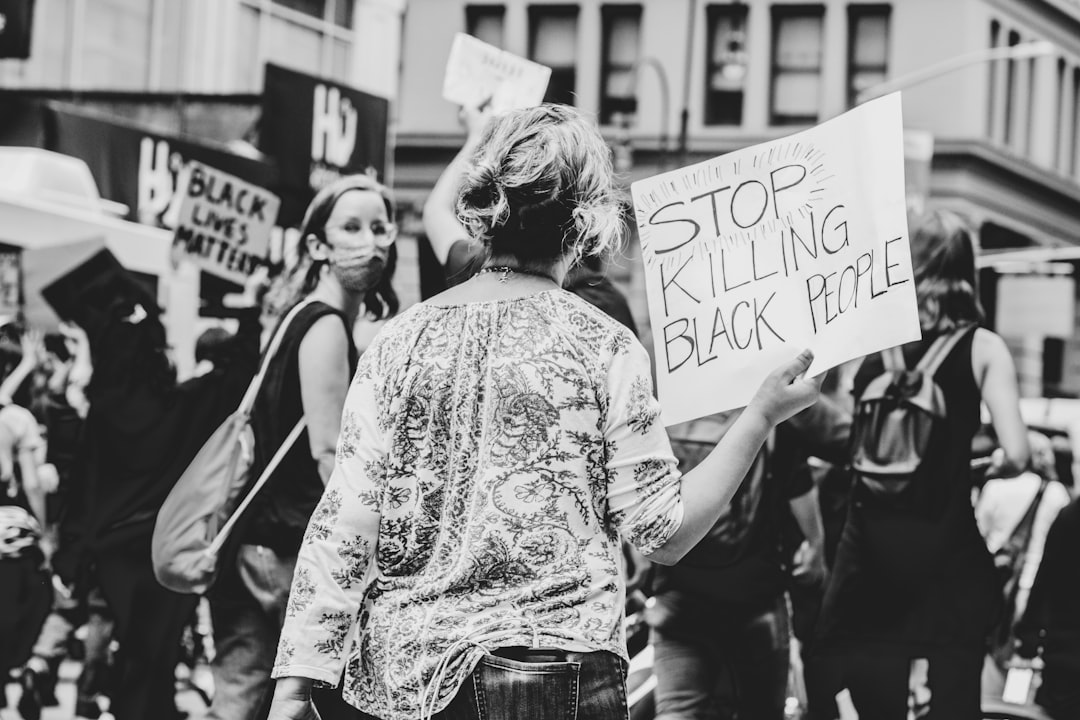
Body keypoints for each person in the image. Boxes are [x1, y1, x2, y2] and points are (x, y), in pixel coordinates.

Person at [267, 104, 821, 720]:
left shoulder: (399, 340)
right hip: (554, 671)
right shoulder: (605, 346)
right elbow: (662, 532)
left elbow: (344, 522)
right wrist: (760, 415)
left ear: (483, 209)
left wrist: (296, 683)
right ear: (587, 222)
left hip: (404, 673)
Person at [809, 210, 1031, 720]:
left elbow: (847, 436)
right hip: (947, 558)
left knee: (877, 705)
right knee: (954, 704)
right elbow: (1018, 454)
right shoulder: (983, 348)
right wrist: (990, 465)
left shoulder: (869, 348)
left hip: (868, 566)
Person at [206, 173, 399, 720]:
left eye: (380, 227)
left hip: (253, 543)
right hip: (291, 547)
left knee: (239, 699)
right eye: (352, 227)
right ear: (318, 245)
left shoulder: (295, 316)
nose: (371, 241)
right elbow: (331, 455)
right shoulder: (326, 327)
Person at [646, 397, 848, 720]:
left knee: (677, 711)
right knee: (762, 711)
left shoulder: (667, 395)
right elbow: (800, 482)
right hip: (755, 596)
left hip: (678, 599)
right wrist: (815, 544)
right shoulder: (767, 398)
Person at [423, 102, 638, 335]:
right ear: (588, 221)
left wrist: (476, 138)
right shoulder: (608, 323)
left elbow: (436, 212)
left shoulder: (413, 328)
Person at [1013, 495, 1080, 719]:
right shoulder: (1070, 516)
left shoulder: (1070, 516)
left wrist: (1029, 635)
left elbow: (1046, 578)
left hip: (1066, 651)